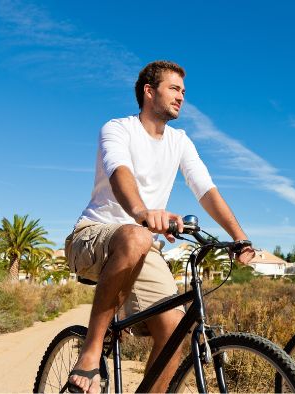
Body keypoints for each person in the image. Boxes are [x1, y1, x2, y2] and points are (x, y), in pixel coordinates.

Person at [63, 60, 255, 393]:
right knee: (137, 235)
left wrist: (239, 237)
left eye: (183, 91)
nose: (182, 97)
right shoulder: (118, 129)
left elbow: (206, 190)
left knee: (175, 329)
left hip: (142, 246)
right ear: (149, 92)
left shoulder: (180, 142)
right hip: (93, 236)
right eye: (174, 89)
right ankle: (91, 353)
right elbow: (118, 171)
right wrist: (140, 212)